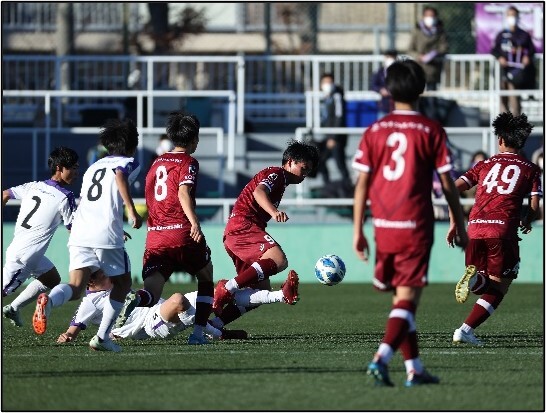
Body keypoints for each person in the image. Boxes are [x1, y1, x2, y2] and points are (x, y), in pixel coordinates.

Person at [352, 59, 468, 387]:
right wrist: (460, 224)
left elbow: (361, 184)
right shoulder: (431, 130)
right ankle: (381, 358)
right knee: (407, 299)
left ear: (387, 90)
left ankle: (414, 368)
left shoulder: (374, 130)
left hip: (383, 225)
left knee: (401, 299)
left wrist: (358, 230)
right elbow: (448, 185)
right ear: (423, 88)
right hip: (415, 224)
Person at [32, 118, 143, 353]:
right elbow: (120, 177)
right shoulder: (130, 161)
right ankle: (102, 338)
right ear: (132, 144)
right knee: (123, 283)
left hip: (81, 230)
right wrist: (131, 210)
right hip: (104, 233)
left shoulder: (94, 166)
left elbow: (92, 201)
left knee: (76, 285)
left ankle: (48, 300)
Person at [115, 112, 214, 345]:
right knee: (206, 276)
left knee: (152, 293)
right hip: (182, 232)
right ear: (194, 139)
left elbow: (150, 197)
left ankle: (135, 299)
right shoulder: (189, 162)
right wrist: (194, 223)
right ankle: (198, 335)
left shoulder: (156, 163)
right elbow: (183, 192)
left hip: (156, 237)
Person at [449, 112, 542, 346]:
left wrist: (454, 222)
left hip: (474, 229)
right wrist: (527, 219)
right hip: (502, 232)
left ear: (500, 139)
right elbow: (534, 206)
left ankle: (476, 281)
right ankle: (465, 329)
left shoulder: (484, 164)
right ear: (521, 141)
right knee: (501, 285)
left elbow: (452, 188)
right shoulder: (531, 169)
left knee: (487, 281)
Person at [211, 140, 319, 323]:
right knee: (279, 260)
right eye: (304, 168)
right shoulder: (276, 174)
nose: (305, 175)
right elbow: (259, 192)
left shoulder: (282, 182)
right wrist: (274, 212)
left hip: (236, 231)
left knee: (260, 292)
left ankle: (214, 325)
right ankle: (227, 288)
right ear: (290, 161)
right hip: (243, 227)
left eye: (309, 171)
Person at [2, 147, 79, 327]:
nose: (76, 172)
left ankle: (13, 308)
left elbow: (4, 194)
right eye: (73, 168)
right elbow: (73, 230)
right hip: (25, 257)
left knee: (52, 280)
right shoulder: (65, 196)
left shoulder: (33, 186)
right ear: (60, 168)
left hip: (26, 252)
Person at [491, 6, 536, 116]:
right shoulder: (501, 35)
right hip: (503, 72)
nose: (512, 18)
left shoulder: (523, 35)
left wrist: (527, 56)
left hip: (516, 73)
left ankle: (516, 130)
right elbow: (494, 50)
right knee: (502, 100)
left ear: (517, 17)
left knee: (514, 101)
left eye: (513, 15)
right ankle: (504, 130)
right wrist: (499, 58)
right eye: (509, 15)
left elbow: (531, 50)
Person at [316, 73, 350, 188]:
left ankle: (348, 188)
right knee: (320, 161)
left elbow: (339, 117)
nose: (327, 85)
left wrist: (333, 137)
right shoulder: (326, 98)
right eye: (325, 82)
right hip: (328, 136)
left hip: (336, 137)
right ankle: (328, 186)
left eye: (330, 82)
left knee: (340, 164)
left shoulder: (337, 96)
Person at [408, 6, 448, 92]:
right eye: (427, 16)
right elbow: (410, 49)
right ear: (423, 17)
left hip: (433, 67)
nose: (430, 18)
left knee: (431, 94)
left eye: (432, 16)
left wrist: (434, 54)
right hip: (419, 66)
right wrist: (419, 56)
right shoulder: (417, 31)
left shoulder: (440, 31)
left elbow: (444, 47)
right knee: (418, 91)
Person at [371, 50, 398, 118]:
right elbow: (373, 85)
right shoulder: (380, 72)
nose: (390, 59)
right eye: (388, 57)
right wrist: (380, 90)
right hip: (384, 105)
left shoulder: (400, 72)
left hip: (397, 104)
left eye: (392, 57)